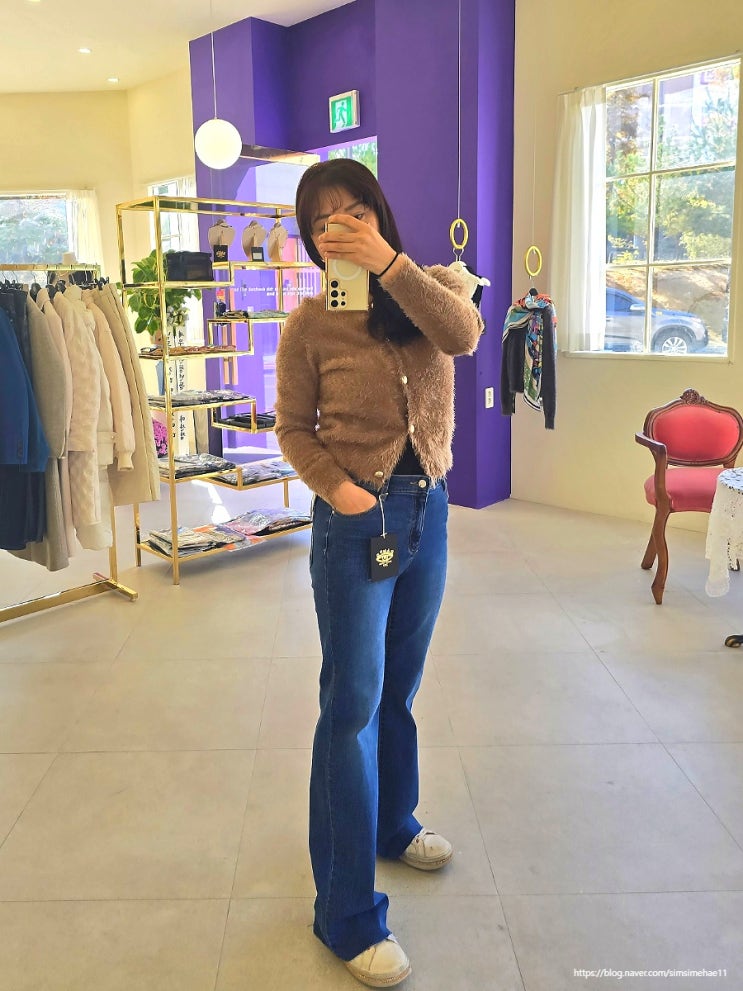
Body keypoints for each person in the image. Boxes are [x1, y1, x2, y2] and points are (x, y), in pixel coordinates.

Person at [274, 159, 482, 988]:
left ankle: (393, 823)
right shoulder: (308, 325)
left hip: (427, 511)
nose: (343, 228)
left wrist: (388, 264)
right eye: (324, 221)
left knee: (399, 689)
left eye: (356, 211)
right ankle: (345, 913)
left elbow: (463, 335)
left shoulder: (430, 287)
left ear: (380, 214)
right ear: (310, 239)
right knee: (352, 707)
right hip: (354, 522)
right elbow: (293, 427)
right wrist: (343, 492)